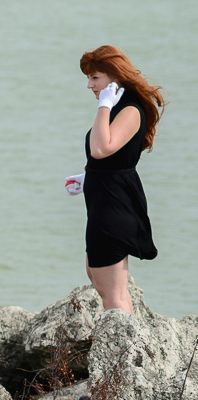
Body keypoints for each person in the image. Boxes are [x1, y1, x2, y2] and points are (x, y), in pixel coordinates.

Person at [64, 46, 164, 314]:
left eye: (95, 77)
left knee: (114, 294)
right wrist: (89, 178)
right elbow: (110, 158)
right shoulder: (118, 108)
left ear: (114, 75)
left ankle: (126, 353)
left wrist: (104, 104)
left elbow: (100, 148)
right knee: (97, 275)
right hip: (104, 200)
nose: (89, 85)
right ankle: (127, 347)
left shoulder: (128, 109)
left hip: (115, 205)